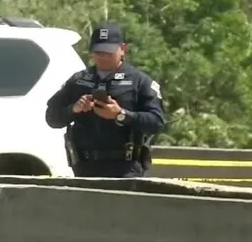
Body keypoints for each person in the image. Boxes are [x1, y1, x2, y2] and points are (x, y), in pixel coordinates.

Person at [45, 23, 166, 177]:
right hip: (85, 168)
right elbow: (52, 118)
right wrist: (74, 109)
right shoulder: (79, 80)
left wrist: (121, 114)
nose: (103, 57)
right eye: (98, 52)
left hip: (125, 169)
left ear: (122, 49)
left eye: (108, 53)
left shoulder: (139, 82)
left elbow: (157, 122)